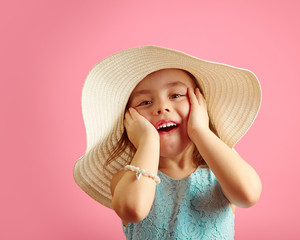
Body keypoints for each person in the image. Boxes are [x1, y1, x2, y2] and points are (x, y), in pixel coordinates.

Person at [73, 45, 262, 239]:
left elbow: (248, 195)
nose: (162, 107)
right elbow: (134, 209)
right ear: (129, 122)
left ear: (200, 105)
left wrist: (200, 131)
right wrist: (148, 140)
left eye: (176, 95)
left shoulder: (219, 169)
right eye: (145, 102)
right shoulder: (127, 178)